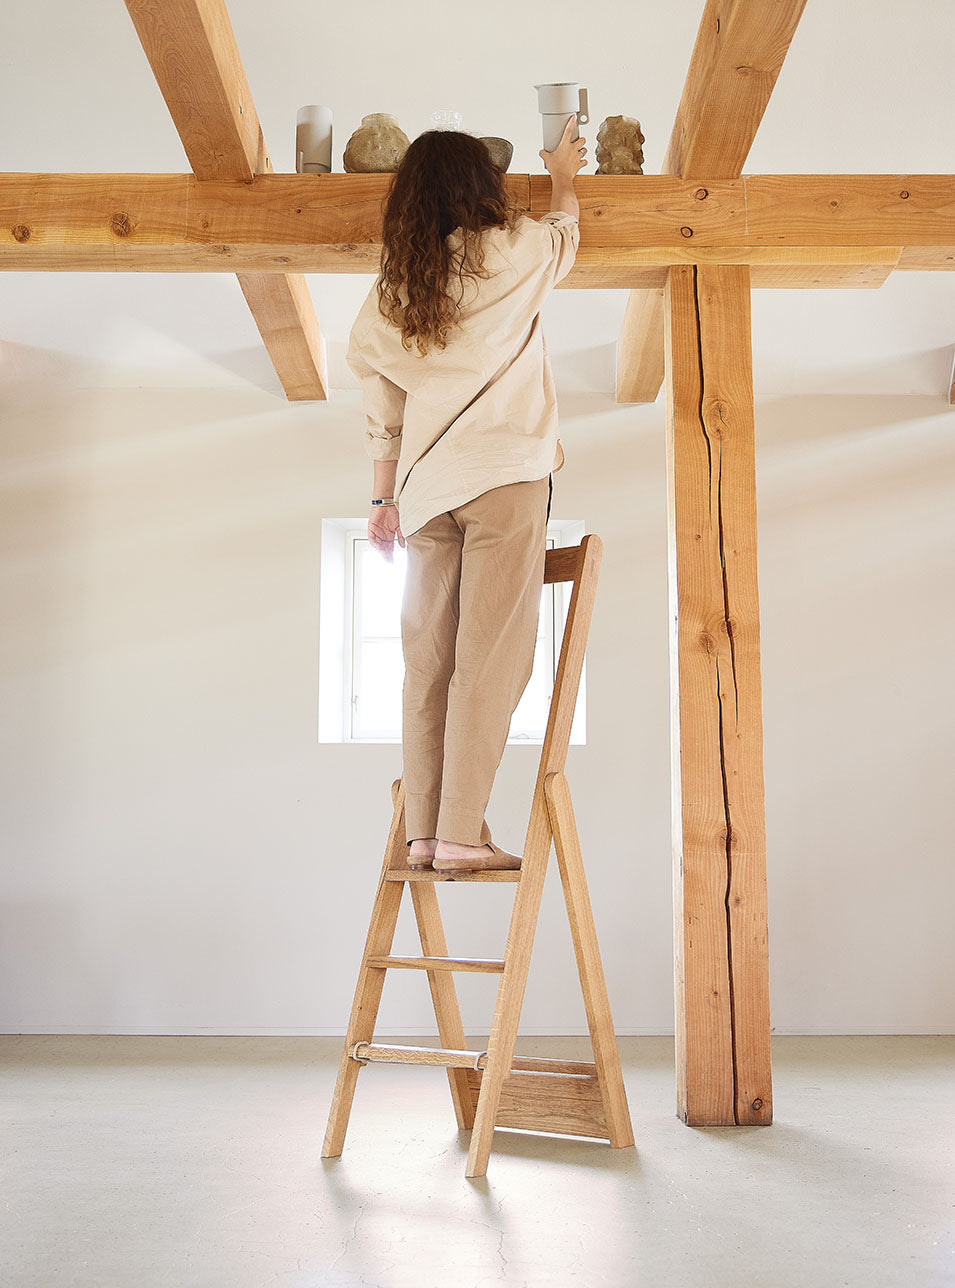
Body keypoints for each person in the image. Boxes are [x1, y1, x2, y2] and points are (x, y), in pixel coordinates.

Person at [346, 113, 585, 872]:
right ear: (482, 187)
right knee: (492, 655)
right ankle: (458, 832)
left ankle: (424, 831)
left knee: (429, 663)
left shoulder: (394, 289)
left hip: (423, 493)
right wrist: (562, 176)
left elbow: (382, 407)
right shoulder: (512, 250)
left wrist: (381, 503)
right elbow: (564, 236)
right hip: (505, 477)